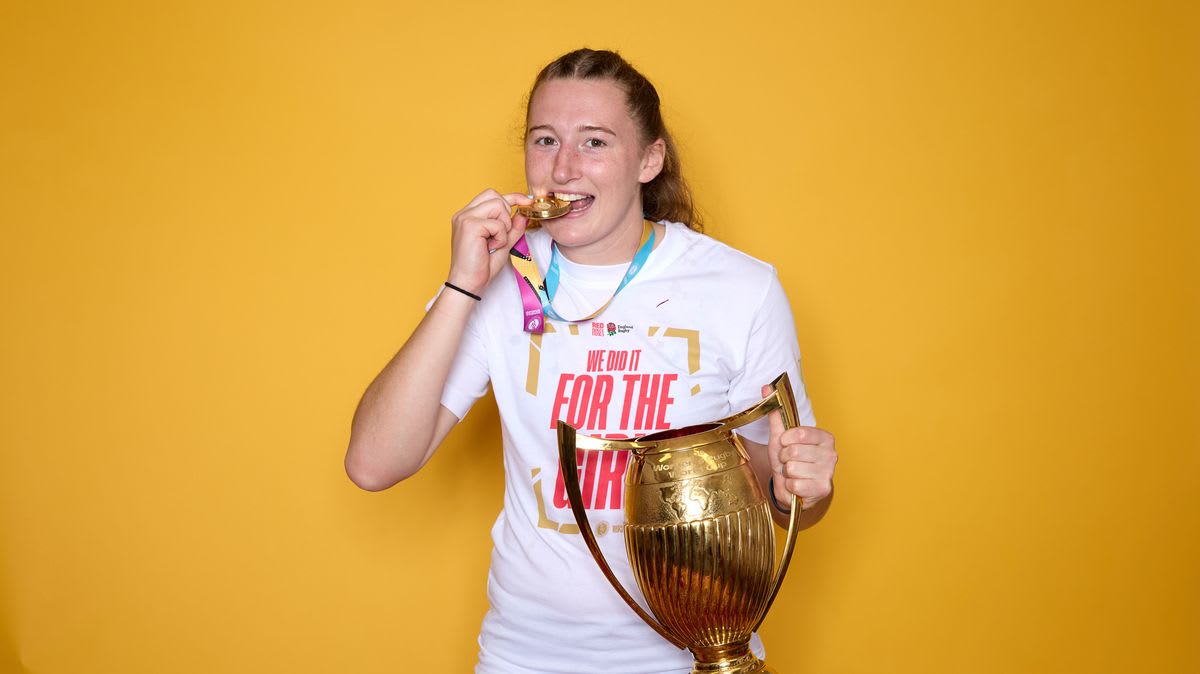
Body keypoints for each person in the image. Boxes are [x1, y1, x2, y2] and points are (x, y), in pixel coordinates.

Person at [345, 48, 837, 673]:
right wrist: (462, 287)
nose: (565, 168)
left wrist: (803, 483)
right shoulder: (503, 278)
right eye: (545, 140)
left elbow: (786, 497)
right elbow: (372, 463)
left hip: (691, 657)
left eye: (596, 142)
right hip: (525, 657)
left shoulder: (741, 287)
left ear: (649, 159)